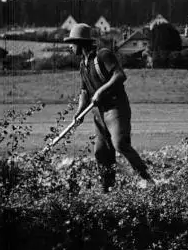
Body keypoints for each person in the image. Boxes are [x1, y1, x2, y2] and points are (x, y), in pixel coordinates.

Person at [64, 23, 154, 191]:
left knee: (120, 144)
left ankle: (148, 180)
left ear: (80, 42)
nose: (70, 47)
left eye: (71, 43)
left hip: (115, 108)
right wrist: (79, 113)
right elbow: (84, 92)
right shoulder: (83, 65)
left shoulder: (103, 55)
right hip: (99, 113)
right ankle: (107, 190)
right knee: (101, 152)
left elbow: (120, 75)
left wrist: (100, 92)